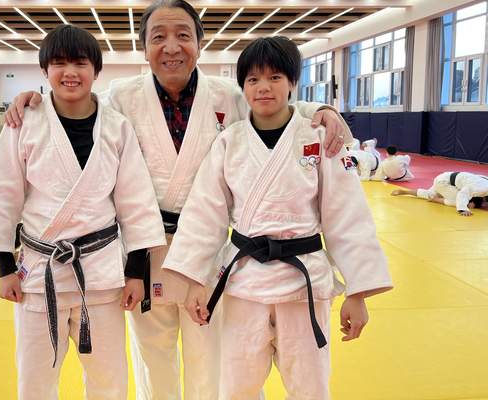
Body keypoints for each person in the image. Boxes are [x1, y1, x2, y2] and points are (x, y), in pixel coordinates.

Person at [3, 0, 351, 400]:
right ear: (144, 47)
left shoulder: (226, 95)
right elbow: (75, 106)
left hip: (207, 252)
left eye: (183, 35)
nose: (171, 47)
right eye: (158, 37)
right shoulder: (121, 97)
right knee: (152, 355)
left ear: (200, 44)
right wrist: (35, 102)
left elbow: (273, 104)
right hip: (145, 251)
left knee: (211, 355)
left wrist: (321, 109)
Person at [163, 36, 393, 400]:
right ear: (243, 88)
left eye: (274, 77)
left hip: (303, 283)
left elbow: (347, 217)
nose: (263, 87)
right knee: (235, 388)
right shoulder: (229, 142)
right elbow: (205, 213)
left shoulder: (319, 139)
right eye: (253, 79)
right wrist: (195, 280)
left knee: (310, 387)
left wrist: (358, 291)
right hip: (244, 283)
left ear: (292, 83)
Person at [0, 24, 166, 400]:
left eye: (80, 63)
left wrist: (136, 272)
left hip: (101, 274)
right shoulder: (23, 123)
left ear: (96, 71)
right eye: (59, 63)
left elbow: (136, 203)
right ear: (45, 70)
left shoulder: (117, 128)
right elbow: (1, 196)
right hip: (38, 274)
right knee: (35, 380)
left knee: (109, 380)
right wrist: (4, 268)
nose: (70, 72)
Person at [391, 171, 488, 216]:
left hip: (445, 177)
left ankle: (404, 191)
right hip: (444, 182)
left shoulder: (483, 185)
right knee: (459, 201)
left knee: (429, 194)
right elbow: (462, 194)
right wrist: (463, 209)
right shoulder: (481, 188)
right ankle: (436, 200)